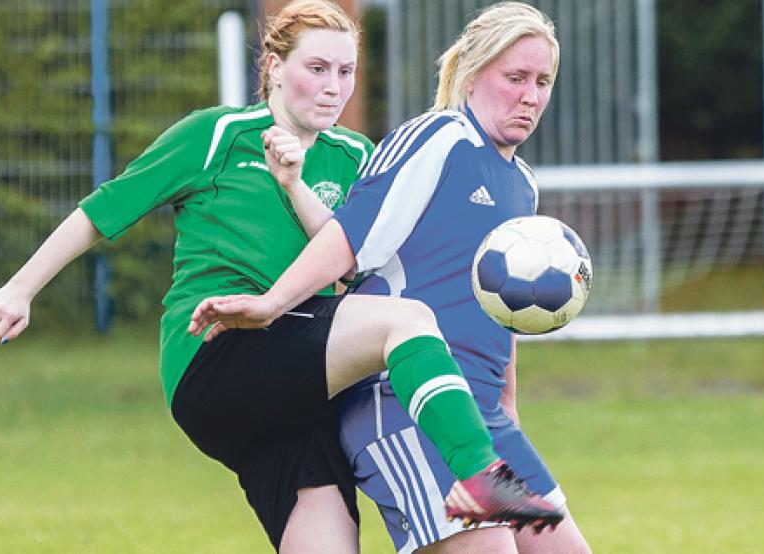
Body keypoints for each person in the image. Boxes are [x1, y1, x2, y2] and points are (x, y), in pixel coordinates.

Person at [0, 1, 559, 552]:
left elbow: (349, 256)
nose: (334, 85)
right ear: (274, 68)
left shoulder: (355, 154)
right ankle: (480, 474)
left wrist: (295, 183)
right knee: (406, 321)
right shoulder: (218, 134)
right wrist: (20, 287)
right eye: (317, 68)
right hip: (219, 353)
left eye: (346, 70)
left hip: (299, 388)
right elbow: (103, 211)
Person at [188, 2, 591, 553]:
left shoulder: (523, 184)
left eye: (543, 81)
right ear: (472, 76)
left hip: (481, 419)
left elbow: (504, 313)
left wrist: (508, 410)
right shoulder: (437, 137)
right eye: (515, 77)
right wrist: (272, 303)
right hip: (402, 405)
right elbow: (348, 243)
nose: (531, 95)